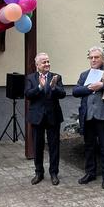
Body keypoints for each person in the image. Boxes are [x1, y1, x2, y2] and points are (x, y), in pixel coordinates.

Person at [72, 46, 104, 190]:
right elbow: (75, 91)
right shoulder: (84, 75)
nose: (94, 60)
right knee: (89, 146)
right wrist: (89, 88)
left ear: (103, 59)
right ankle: (90, 173)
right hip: (88, 116)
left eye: (97, 57)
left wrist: (103, 85)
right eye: (91, 57)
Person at [25, 53, 66, 186]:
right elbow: (28, 95)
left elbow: (63, 94)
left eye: (48, 61)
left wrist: (53, 87)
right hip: (37, 117)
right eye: (44, 62)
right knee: (38, 146)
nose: (47, 64)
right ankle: (39, 172)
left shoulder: (56, 77)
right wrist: (40, 87)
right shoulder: (30, 78)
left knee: (54, 146)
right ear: (37, 65)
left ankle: (54, 173)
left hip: (53, 116)